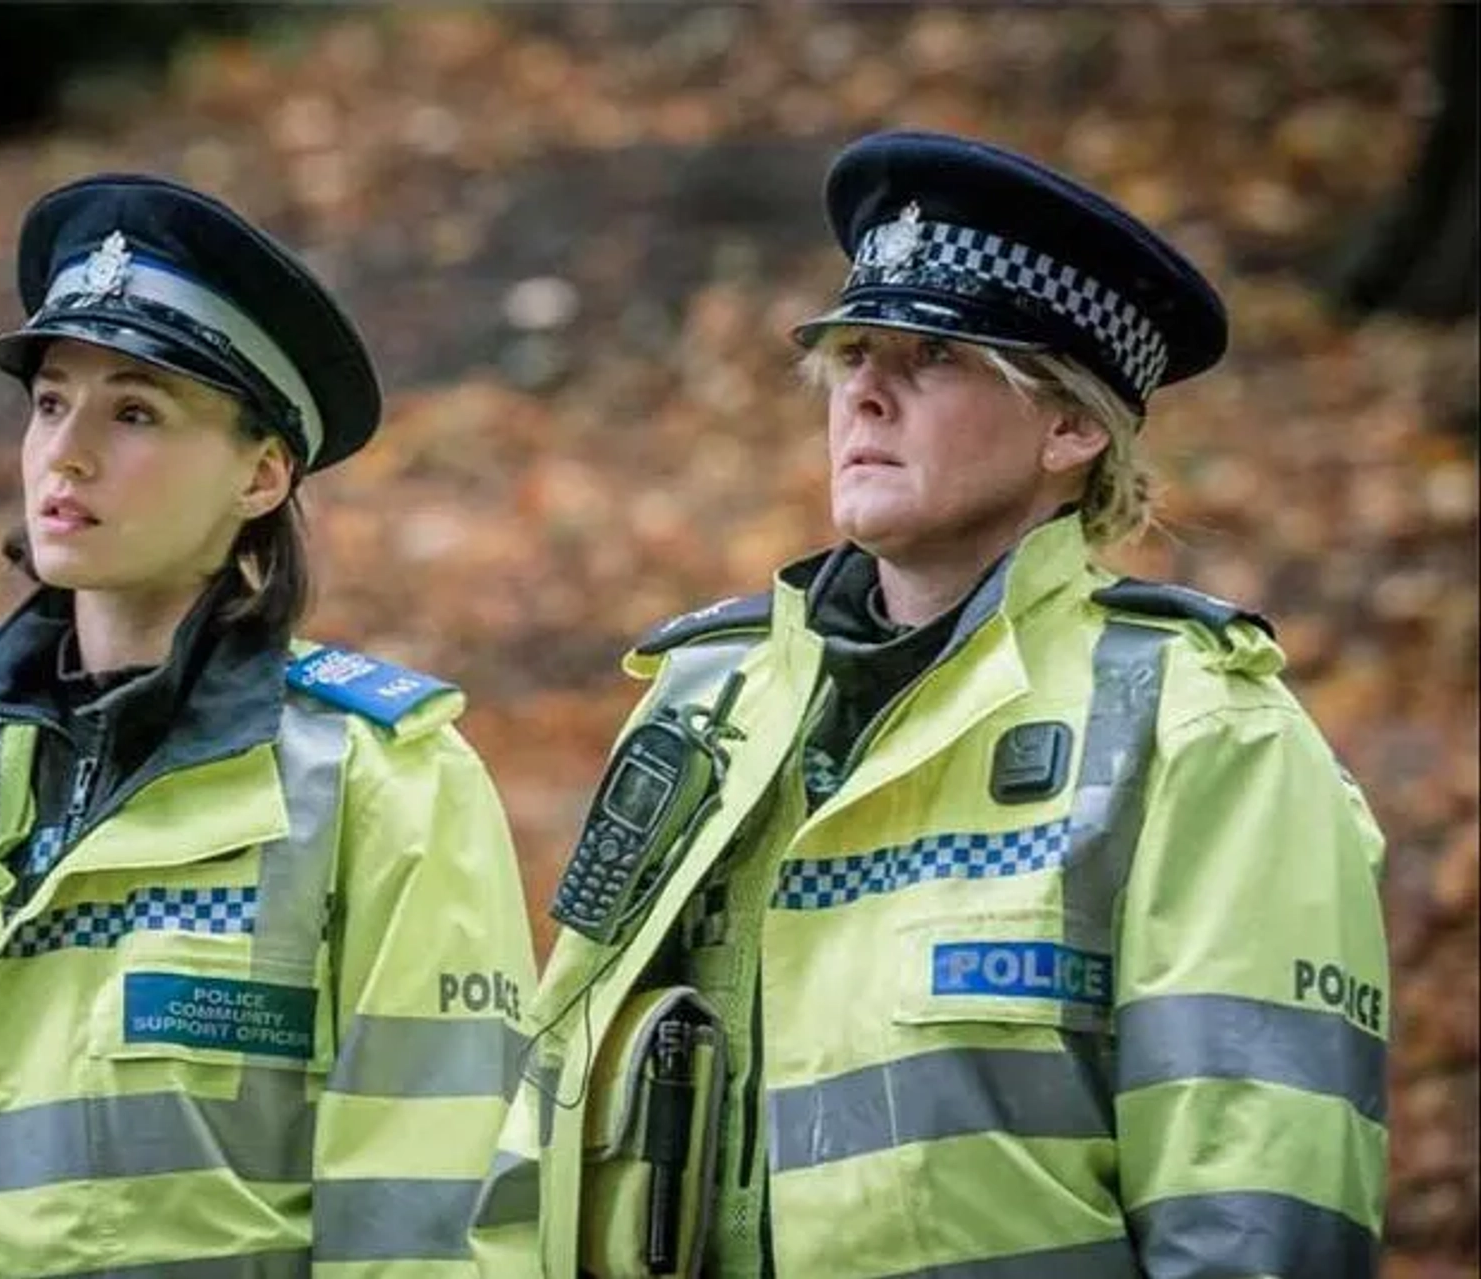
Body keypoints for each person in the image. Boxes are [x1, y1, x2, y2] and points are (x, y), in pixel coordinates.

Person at [469, 131, 1389, 1278]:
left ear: (1071, 427)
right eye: (852, 352)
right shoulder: (705, 704)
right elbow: (546, 1119)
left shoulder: (1199, 731)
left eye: (935, 356)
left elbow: (1258, 1219)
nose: (865, 390)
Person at [0, 174, 537, 1278]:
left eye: (135, 411)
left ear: (262, 472)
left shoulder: (381, 788)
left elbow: (428, 1222)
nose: (69, 452)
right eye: (51, 402)